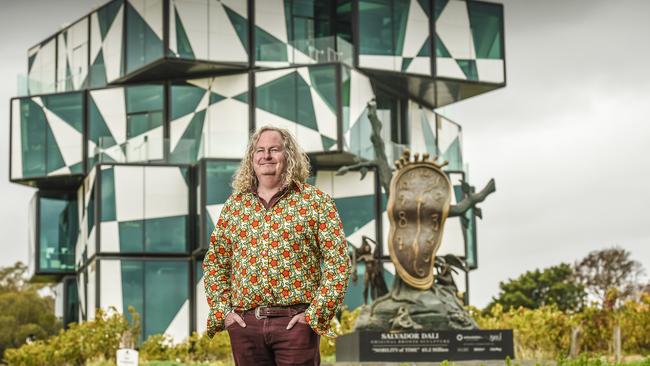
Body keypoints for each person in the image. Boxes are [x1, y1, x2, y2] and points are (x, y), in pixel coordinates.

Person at [202, 126, 351, 366]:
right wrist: (224, 313)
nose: (266, 156)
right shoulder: (235, 205)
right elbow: (216, 263)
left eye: (274, 149)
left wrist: (313, 317)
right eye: (259, 150)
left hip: (295, 325)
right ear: (252, 158)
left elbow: (339, 263)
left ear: (288, 155)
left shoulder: (315, 201)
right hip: (245, 325)